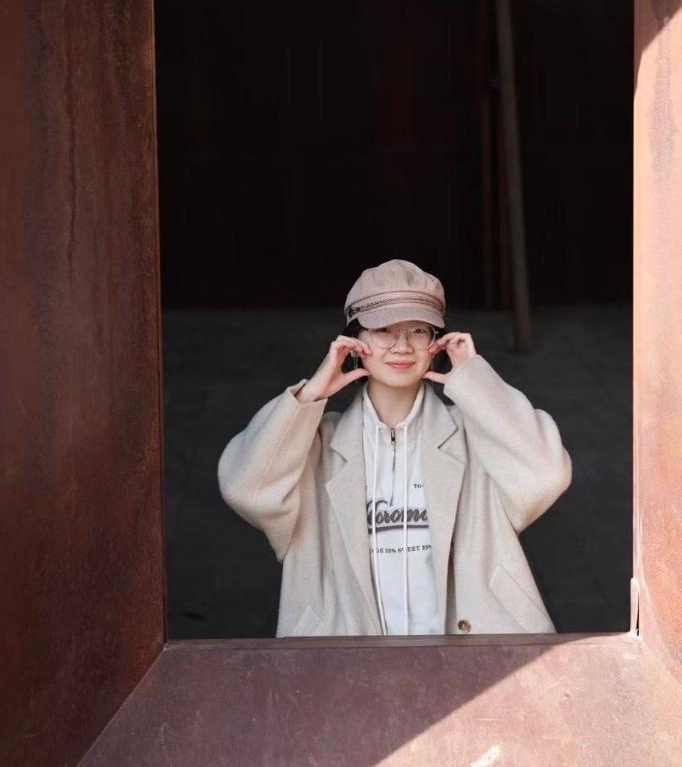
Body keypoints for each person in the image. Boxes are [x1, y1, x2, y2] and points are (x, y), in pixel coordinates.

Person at [218, 258, 572, 637]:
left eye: (418, 330)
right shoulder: (312, 447)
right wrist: (310, 395)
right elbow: (245, 488)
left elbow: (547, 473)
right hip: (343, 660)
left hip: (474, 655)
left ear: (436, 344)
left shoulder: (478, 436)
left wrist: (478, 381)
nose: (402, 346)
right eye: (383, 330)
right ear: (354, 343)